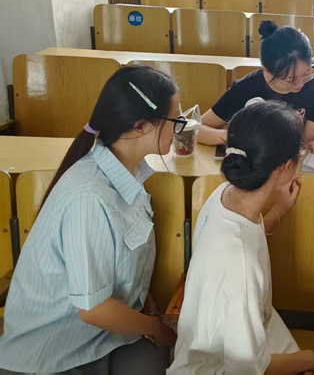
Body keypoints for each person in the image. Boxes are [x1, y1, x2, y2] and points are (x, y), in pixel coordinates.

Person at [0, 66, 180, 374]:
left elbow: (123, 264)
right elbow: (94, 309)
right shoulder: (90, 195)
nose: (179, 129)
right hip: (53, 355)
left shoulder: (127, 176)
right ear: (140, 127)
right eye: (175, 121)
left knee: (162, 362)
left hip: (99, 337)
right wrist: (155, 327)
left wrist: (147, 307)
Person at [169, 101, 314, 375]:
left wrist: (278, 211)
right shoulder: (239, 268)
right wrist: (312, 359)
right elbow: (251, 368)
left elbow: (242, 239)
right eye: (300, 153)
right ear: (284, 167)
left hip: (230, 340)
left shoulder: (224, 194)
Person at [199, 21, 314, 146]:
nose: (300, 84)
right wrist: (235, 137)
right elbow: (198, 129)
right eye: (291, 80)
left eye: (307, 73)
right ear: (266, 69)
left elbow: (307, 140)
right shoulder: (245, 89)